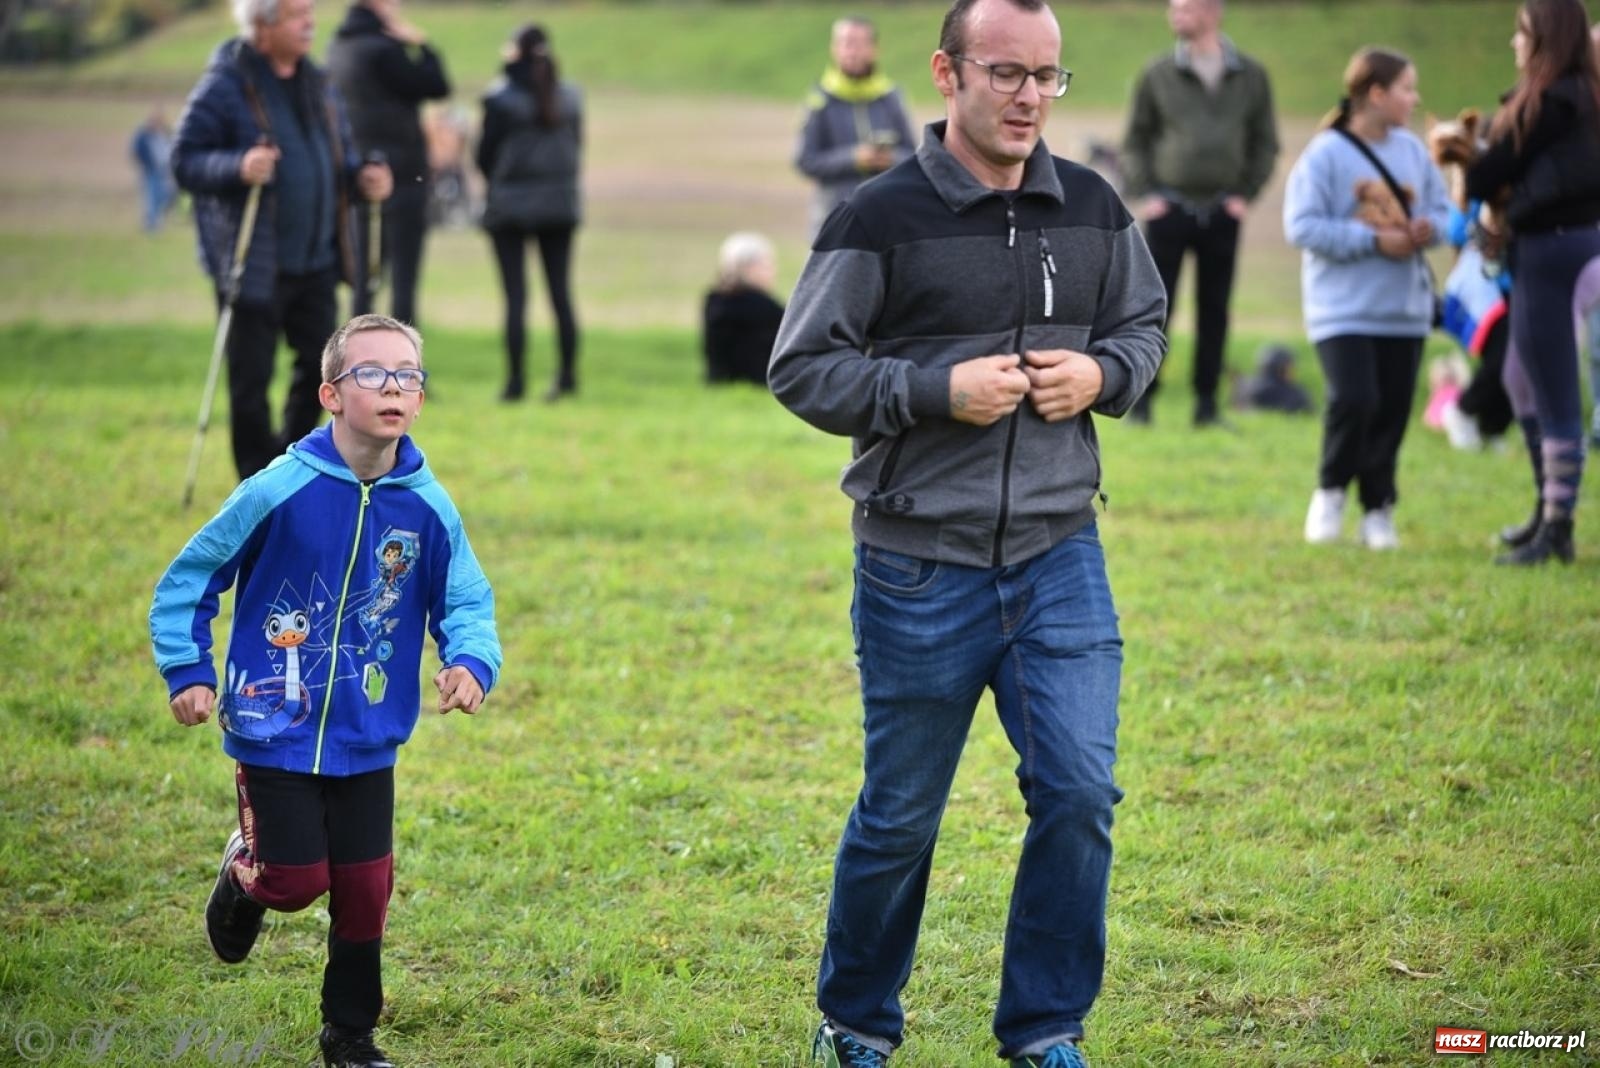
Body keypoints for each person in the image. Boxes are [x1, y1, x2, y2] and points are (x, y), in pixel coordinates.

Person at [769, 0, 1166, 1063]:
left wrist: (1103, 373)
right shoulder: (876, 215)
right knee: (899, 819)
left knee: (1079, 794)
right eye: (1007, 73)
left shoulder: (1090, 205)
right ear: (947, 75)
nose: (1031, 95)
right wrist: (933, 390)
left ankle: (1044, 1030)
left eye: (1048, 76)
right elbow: (801, 367)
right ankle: (854, 1023)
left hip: (1057, 556)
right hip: (914, 566)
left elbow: (1143, 325)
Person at [149, 314, 502, 1068]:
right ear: (330, 395)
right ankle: (246, 876)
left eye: (409, 374)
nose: (394, 386)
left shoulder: (427, 506)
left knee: (366, 891)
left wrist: (469, 661)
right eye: (372, 373)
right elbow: (190, 576)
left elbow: (466, 598)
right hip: (273, 724)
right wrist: (188, 669)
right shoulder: (279, 489)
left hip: (369, 731)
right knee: (296, 881)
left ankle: (349, 1036)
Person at [172, 0, 393, 482]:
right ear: (262, 25)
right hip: (254, 261)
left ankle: (290, 467)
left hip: (316, 258)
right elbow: (185, 159)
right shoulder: (226, 83)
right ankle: (255, 481)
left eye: (310, 12)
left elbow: (342, 158)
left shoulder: (319, 82)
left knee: (323, 371)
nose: (309, 22)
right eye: (296, 14)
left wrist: (364, 179)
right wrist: (237, 166)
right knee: (250, 381)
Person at [1284, 47, 1450, 551]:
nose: (1415, 98)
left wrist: (1429, 229)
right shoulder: (1326, 153)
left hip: (1403, 311)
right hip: (1342, 310)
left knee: (1393, 410)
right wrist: (1374, 240)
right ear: (1376, 94)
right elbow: (1302, 225)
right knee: (1354, 399)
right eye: (1406, 88)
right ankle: (1330, 493)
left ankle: (1378, 509)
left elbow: (1446, 213)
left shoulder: (1414, 152)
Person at [1466, 0, 1600, 565]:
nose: (1514, 45)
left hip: (1553, 251)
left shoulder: (1552, 100)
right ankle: (1547, 510)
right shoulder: (1583, 97)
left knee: (1554, 392)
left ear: (1543, 38)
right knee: (1522, 379)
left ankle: (1558, 530)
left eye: (1521, 34)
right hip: (1565, 246)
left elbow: (1483, 173)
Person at [1121, 0, 1279, 426]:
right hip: (1168, 209)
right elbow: (1135, 139)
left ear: (1212, 11)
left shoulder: (1250, 75)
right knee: (1155, 308)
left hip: (1223, 212)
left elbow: (1265, 141)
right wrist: (1147, 192)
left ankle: (1207, 405)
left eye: (1185, 8)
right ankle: (1144, 401)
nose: (1175, 15)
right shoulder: (1157, 74)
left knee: (1215, 309)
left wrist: (1245, 194)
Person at [326, 0, 452, 328]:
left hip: (357, 175)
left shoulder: (336, 48)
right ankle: (404, 373)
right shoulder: (385, 50)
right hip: (405, 176)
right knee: (403, 282)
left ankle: (353, 366)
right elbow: (437, 85)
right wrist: (422, 45)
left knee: (364, 282)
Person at [478, 24, 583, 403]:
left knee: (515, 297)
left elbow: (483, 157)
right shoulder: (570, 96)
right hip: (560, 205)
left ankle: (515, 381)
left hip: (510, 209)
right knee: (560, 294)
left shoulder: (501, 98)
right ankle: (568, 376)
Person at [795, 16, 918, 237]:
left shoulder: (891, 98)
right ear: (834, 48)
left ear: (874, 49)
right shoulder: (820, 100)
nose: (852, 51)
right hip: (835, 223)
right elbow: (805, 160)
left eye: (859, 44)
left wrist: (889, 159)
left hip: (887, 221)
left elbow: (914, 156)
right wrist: (854, 158)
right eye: (845, 43)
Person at [703, 231, 785, 386]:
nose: (774, 271)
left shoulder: (714, 300)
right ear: (749, 268)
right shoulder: (763, 306)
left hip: (717, 383)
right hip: (760, 383)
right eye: (767, 265)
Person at [130, 106, 178, 233]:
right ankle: (151, 226)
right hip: (150, 171)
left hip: (165, 171)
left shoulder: (166, 132)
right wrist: (145, 165)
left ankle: (156, 222)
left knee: (167, 196)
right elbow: (135, 152)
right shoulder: (143, 135)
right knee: (151, 198)